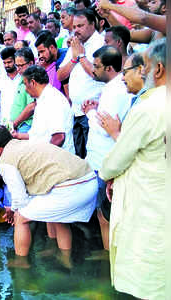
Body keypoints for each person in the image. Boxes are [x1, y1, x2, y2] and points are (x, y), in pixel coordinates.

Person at [99, 39, 166, 300]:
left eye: (141, 68)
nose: (136, 74)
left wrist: (106, 175)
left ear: (157, 70)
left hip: (148, 200)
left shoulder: (148, 107)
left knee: (146, 268)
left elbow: (117, 159)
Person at [0, 126, 97, 268]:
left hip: (71, 189)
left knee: (21, 218)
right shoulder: (24, 144)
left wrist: (12, 210)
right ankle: (63, 257)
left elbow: (20, 199)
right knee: (57, 216)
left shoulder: (6, 160)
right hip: (88, 180)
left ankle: (21, 262)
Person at [82, 45, 132, 251]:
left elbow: (106, 128)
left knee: (105, 216)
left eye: (96, 66)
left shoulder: (116, 90)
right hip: (102, 160)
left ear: (109, 68)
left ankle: (108, 259)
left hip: (105, 160)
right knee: (104, 214)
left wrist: (90, 113)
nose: (93, 70)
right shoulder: (114, 88)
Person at [57, 9, 105, 159]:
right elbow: (60, 75)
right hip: (76, 111)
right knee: (80, 157)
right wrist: (74, 58)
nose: (76, 30)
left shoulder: (101, 43)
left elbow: (97, 74)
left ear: (92, 24)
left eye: (81, 26)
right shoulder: (76, 44)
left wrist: (81, 56)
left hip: (92, 110)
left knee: (93, 157)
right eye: (75, 26)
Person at [13, 65, 75, 154]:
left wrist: (43, 157)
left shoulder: (52, 99)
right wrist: (17, 135)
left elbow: (59, 137)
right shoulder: (43, 99)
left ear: (33, 83)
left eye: (26, 84)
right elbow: (38, 136)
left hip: (57, 160)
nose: (25, 90)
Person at [96, 53, 145, 141]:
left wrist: (115, 133)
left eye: (125, 73)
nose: (122, 79)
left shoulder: (148, 103)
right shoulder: (138, 98)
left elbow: (133, 147)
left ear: (140, 70)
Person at [0, 47, 20, 126]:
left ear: (15, 60)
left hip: (23, 122)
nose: (7, 65)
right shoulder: (0, 79)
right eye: (4, 63)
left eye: (9, 62)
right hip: (5, 122)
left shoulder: (22, 76)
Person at [10, 47, 35, 133]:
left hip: (27, 125)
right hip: (20, 125)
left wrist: (15, 123)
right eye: (17, 65)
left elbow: (32, 106)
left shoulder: (32, 80)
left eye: (21, 65)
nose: (18, 69)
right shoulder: (23, 78)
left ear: (31, 63)